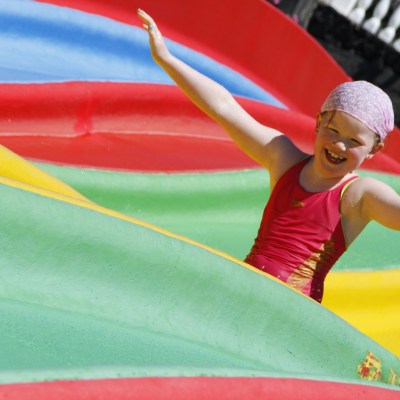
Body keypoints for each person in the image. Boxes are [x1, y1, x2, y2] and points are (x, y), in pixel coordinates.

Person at [137, 9, 400, 303]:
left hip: (291, 312)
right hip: (243, 289)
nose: (339, 145)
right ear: (318, 122)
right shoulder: (283, 158)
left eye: (353, 141)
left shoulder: (359, 195)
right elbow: (225, 108)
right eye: (333, 130)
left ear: (374, 150)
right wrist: (167, 59)